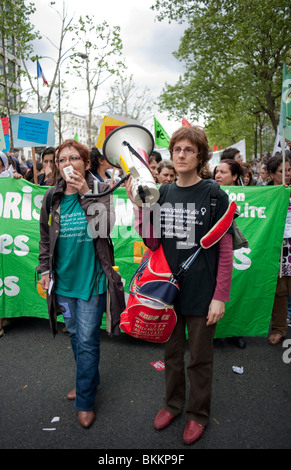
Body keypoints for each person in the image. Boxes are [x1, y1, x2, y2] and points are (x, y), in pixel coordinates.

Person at [125, 126, 233, 444]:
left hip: (203, 291)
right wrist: (140, 207)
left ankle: (198, 415)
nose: (181, 155)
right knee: (171, 355)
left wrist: (220, 296)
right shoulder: (163, 193)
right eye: (177, 149)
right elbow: (152, 242)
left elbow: (224, 250)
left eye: (189, 149)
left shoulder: (215, 194)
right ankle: (172, 405)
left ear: (200, 155)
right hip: (166, 292)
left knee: (199, 358)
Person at [37, 139, 125, 428]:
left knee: (87, 340)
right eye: (62, 160)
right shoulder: (52, 197)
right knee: (75, 334)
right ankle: (86, 380)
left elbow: (103, 228)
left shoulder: (100, 191)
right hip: (63, 284)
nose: (68, 164)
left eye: (74, 158)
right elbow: (46, 238)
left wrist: (86, 193)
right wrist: (45, 269)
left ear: (86, 164)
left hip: (92, 282)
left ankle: (85, 399)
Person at [214, 159, 247, 349]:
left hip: (242, 255)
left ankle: (234, 331)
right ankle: (216, 333)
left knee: (239, 290)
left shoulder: (253, 192)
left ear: (235, 176)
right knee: (217, 293)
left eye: (223, 172)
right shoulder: (209, 192)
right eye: (217, 171)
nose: (218, 175)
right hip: (216, 250)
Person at [0, 151, 21, 340]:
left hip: (4, 241)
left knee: (0, 276)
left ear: (4, 166)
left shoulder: (12, 182)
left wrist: (17, 180)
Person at [267, 154, 291, 345]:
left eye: (290, 170)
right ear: (272, 174)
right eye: (284, 171)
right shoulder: (267, 194)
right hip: (278, 247)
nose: (288, 174)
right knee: (279, 291)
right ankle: (279, 328)